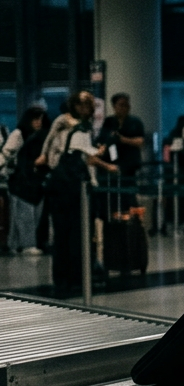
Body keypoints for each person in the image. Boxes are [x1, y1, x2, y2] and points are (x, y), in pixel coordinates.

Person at [39, 91, 117, 293]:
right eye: (82, 104)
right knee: (73, 234)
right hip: (72, 186)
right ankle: (72, 277)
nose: (85, 108)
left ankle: (68, 277)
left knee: (70, 235)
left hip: (65, 184)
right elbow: (83, 155)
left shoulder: (77, 126)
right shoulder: (72, 125)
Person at [2, 107, 50, 254]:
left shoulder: (39, 136)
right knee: (24, 215)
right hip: (21, 180)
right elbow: (7, 154)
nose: (38, 122)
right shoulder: (19, 134)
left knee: (27, 215)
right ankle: (26, 244)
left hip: (31, 180)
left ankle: (16, 244)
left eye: (40, 119)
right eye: (36, 119)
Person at [98, 92, 146, 216]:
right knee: (113, 196)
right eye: (121, 105)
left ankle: (131, 220)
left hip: (129, 165)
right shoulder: (109, 121)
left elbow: (140, 141)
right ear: (114, 106)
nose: (125, 108)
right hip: (113, 164)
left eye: (126, 105)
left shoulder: (135, 122)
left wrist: (122, 139)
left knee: (129, 195)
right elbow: (102, 140)